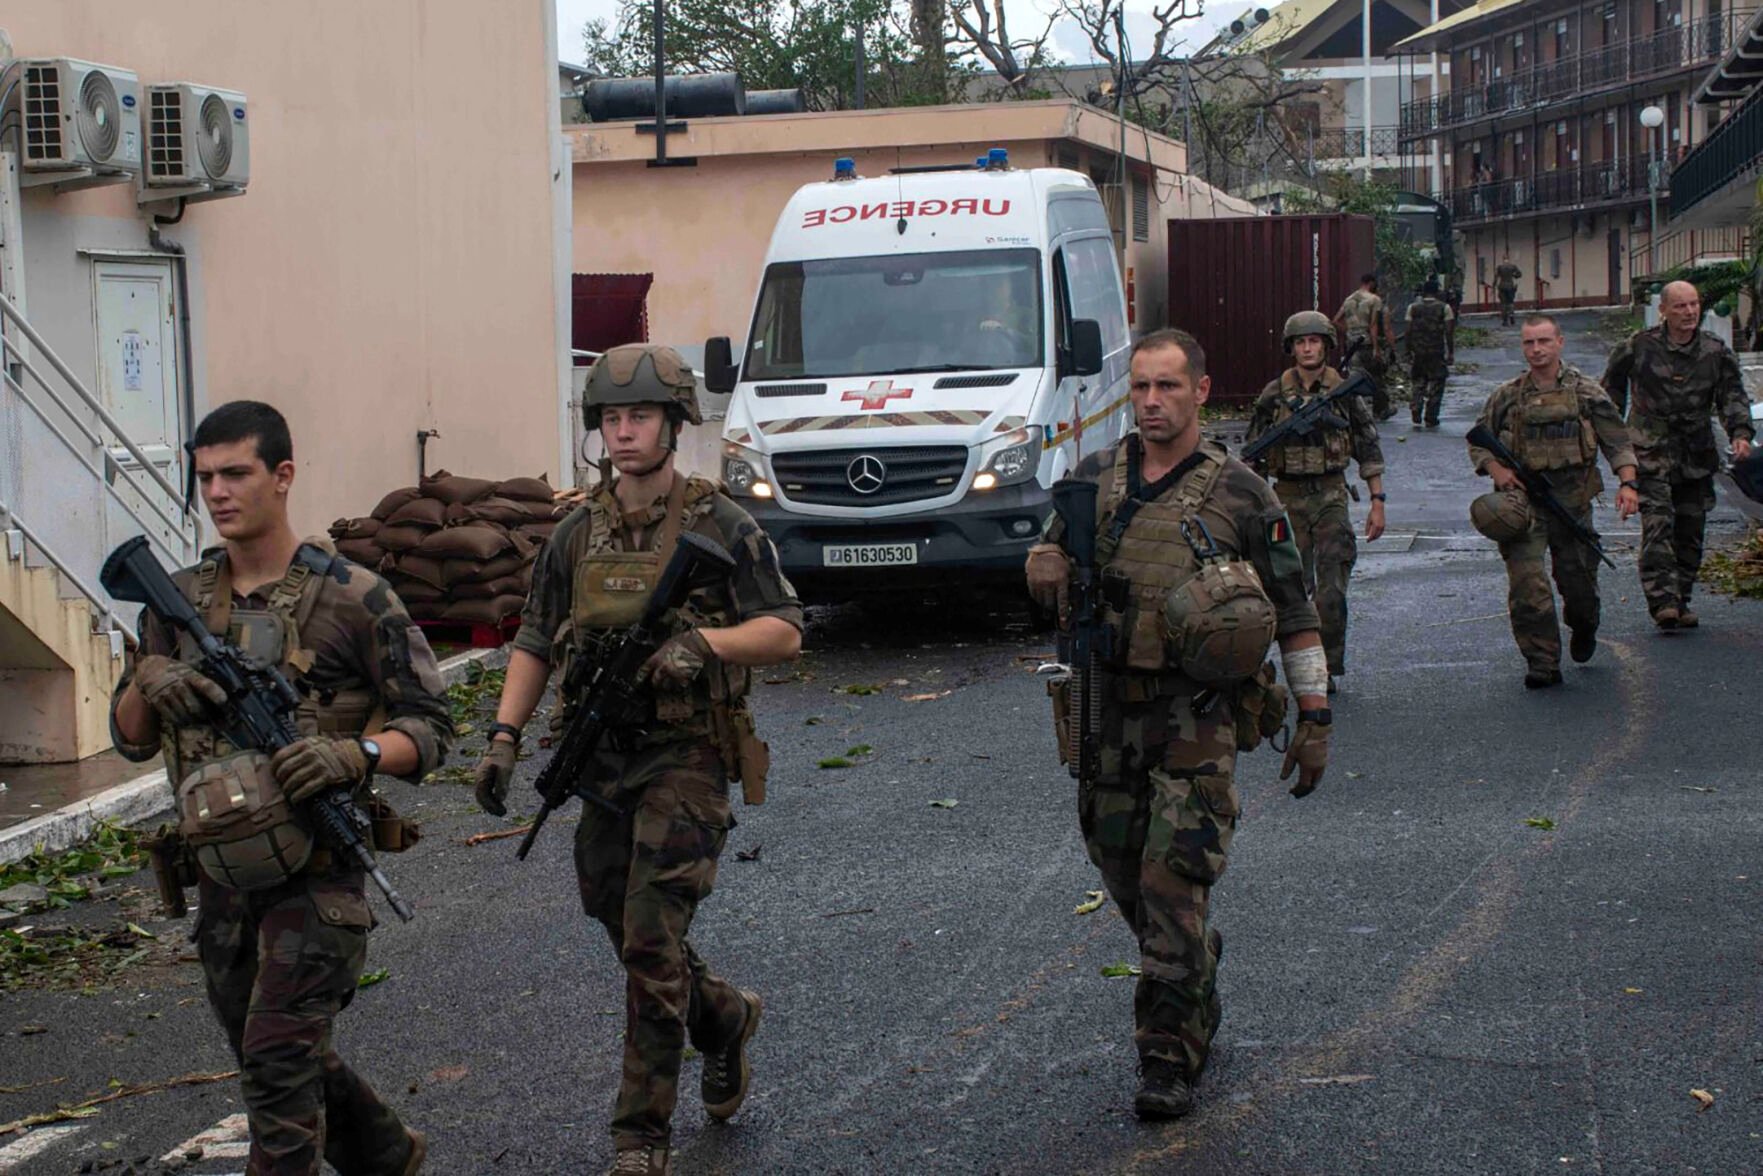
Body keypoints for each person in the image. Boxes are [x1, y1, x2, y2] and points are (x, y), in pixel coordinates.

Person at [472, 344, 802, 1176]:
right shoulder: (576, 530)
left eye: (640, 417)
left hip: (686, 756)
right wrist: (504, 739)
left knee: (652, 941)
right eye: (612, 419)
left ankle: (638, 1137)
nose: (624, 433)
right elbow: (537, 637)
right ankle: (723, 1017)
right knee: (617, 922)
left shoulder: (721, 523)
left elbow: (785, 631)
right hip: (602, 762)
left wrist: (701, 642)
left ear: (673, 423)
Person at [109, 400, 451, 1176]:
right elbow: (129, 741)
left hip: (317, 873)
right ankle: (386, 1154)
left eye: (237, 473)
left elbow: (431, 726)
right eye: (206, 478)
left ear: (283, 475)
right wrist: (149, 675)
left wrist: (355, 754)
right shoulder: (176, 599)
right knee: (274, 1050)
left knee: (275, 1061)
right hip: (221, 882)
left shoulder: (353, 597)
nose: (219, 492)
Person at [1024, 328, 1331, 1121]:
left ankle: (1165, 1057)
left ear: (1201, 389)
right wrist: (1042, 567)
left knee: (1171, 882)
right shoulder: (1092, 481)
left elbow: (1294, 612)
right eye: (1140, 389)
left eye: (1167, 387)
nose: (1152, 403)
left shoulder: (1241, 494)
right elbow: (1048, 566)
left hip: (1196, 718)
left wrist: (1315, 716)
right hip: (1105, 713)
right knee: (1123, 871)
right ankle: (1192, 961)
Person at [1468, 316, 1639, 687]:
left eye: (1544, 341)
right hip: (1523, 505)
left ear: (1560, 342)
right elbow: (1478, 439)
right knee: (1528, 587)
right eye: (1529, 343)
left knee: (1578, 588)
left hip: (1572, 503)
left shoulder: (1587, 392)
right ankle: (1542, 661)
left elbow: (1617, 441)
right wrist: (1496, 470)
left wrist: (1628, 484)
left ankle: (1584, 625)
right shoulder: (1507, 395)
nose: (1537, 350)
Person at [1245, 311, 1387, 693]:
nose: (1308, 348)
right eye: (1300, 342)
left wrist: (1377, 500)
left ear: (1326, 345)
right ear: (1291, 348)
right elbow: (1252, 457)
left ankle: (1325, 667)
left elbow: (1368, 445)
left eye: (1315, 341)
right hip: (1285, 499)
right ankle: (1291, 665)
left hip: (1330, 495)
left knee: (1331, 590)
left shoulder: (1344, 390)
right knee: (1287, 590)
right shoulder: (1275, 394)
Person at [1601, 280, 1757, 629]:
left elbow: (1732, 396)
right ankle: (1663, 602)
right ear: (1664, 311)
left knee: (1691, 529)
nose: (1688, 312)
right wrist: (1613, 440)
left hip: (1696, 454)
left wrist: (1741, 433)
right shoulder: (1639, 347)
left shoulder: (1715, 351)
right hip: (1649, 452)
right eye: (1680, 306)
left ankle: (1682, 597)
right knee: (1658, 524)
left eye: (1693, 305)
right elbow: (1610, 391)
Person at [1334, 274, 1397, 419]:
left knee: (1353, 378)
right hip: (1367, 343)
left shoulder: (1348, 299)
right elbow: (1373, 325)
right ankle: (1380, 410)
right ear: (1372, 283)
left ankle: (1351, 411)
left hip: (1352, 345)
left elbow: (1335, 320)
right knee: (1377, 376)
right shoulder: (1374, 299)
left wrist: (1349, 333)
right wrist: (1376, 348)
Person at [1405, 280, 1455, 428]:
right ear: (1437, 292)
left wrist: (1408, 350)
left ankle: (1416, 407)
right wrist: (1450, 352)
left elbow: (1408, 331)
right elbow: (1449, 331)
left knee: (1418, 381)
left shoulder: (1412, 308)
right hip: (1436, 351)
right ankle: (1431, 416)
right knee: (1437, 384)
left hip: (1418, 352)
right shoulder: (1444, 308)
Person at [1494, 256, 1523, 326]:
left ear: (1503, 260)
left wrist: (1494, 285)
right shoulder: (1513, 267)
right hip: (1510, 286)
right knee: (1510, 302)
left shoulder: (1500, 267)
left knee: (1503, 303)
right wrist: (1514, 275)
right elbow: (1519, 274)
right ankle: (1512, 315)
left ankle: (1505, 320)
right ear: (1509, 259)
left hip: (1502, 286)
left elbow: (1496, 277)